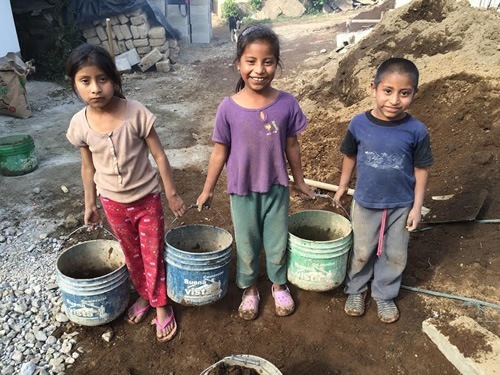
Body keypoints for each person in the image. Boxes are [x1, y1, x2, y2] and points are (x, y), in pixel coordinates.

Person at [65, 43, 186, 341]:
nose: (95, 88)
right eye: (85, 81)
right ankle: (144, 294)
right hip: (112, 204)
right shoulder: (80, 124)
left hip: (147, 200)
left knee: (152, 253)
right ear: (74, 84)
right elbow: (87, 168)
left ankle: (160, 304)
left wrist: (170, 191)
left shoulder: (137, 113)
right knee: (132, 256)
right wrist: (89, 204)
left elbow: (159, 156)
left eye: (102, 79)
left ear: (115, 80)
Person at [196, 25, 315, 321]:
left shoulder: (286, 104)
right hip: (242, 190)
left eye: (268, 61)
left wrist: (299, 181)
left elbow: (292, 145)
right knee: (247, 243)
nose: (259, 69)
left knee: (276, 240)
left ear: (277, 63)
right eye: (251, 61)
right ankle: (249, 289)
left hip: (277, 186)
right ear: (238, 63)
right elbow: (219, 152)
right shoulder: (228, 108)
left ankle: (278, 284)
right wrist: (207, 189)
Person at [333, 57, 433, 323]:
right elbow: (350, 156)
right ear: (373, 88)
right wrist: (343, 186)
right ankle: (356, 289)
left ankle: (385, 294)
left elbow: (421, 169)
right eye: (387, 91)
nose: (394, 100)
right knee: (362, 249)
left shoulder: (417, 131)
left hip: (401, 204)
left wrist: (416, 206)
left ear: (414, 94)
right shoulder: (358, 124)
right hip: (366, 201)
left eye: (404, 93)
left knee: (395, 252)